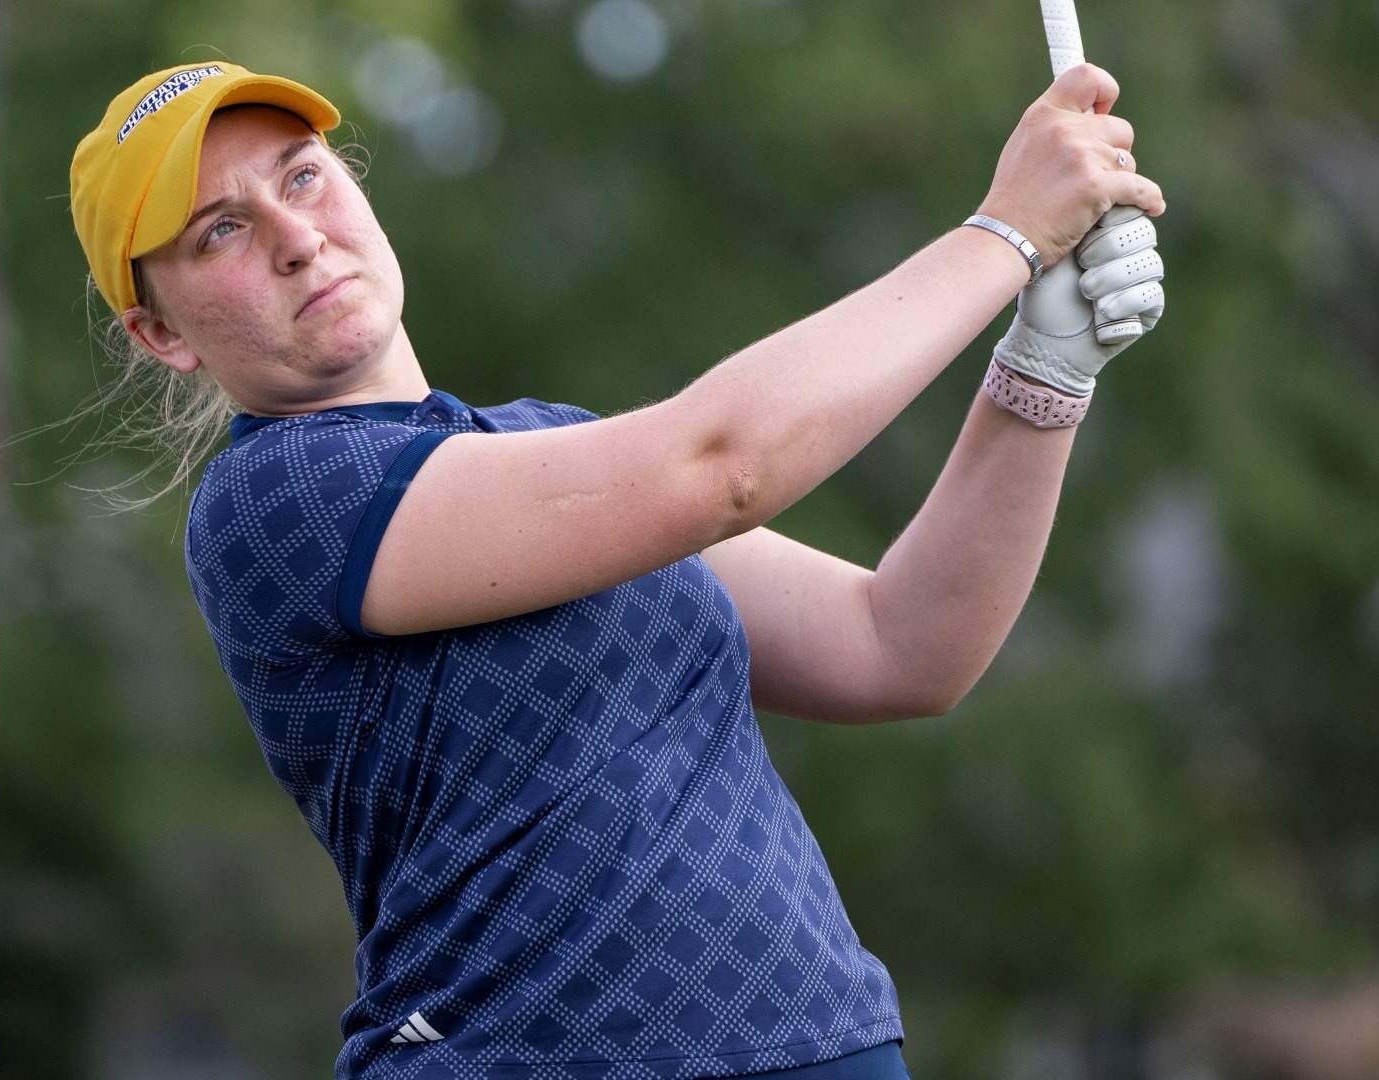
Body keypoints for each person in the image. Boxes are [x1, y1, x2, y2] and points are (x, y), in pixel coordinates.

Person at [67, 59, 1165, 1080]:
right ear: (163, 335)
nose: (294, 236)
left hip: (828, 1045)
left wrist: (1041, 370)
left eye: (302, 177)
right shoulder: (276, 502)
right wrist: (1003, 232)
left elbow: (899, 646)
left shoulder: (548, 443)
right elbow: (719, 465)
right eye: (219, 232)